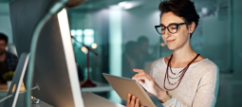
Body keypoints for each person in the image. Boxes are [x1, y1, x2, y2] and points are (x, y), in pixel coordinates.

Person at [126, 0, 219, 107]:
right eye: (163, 28)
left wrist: (161, 93)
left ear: (190, 27)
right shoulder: (156, 65)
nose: (166, 34)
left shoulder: (207, 69)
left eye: (173, 27)